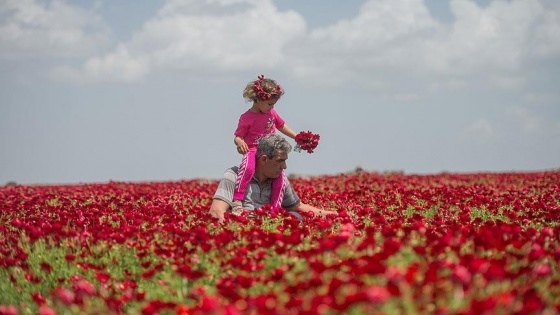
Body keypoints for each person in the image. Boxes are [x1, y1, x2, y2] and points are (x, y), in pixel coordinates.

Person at [210, 134, 336, 224]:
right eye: (280, 161)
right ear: (264, 159)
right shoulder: (234, 175)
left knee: (295, 216)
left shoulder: (280, 180)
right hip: (242, 228)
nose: (284, 166)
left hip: (269, 228)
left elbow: (298, 207)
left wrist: (334, 215)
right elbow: (216, 211)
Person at [232, 75, 297, 215]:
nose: (272, 107)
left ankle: (274, 209)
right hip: (253, 150)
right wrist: (240, 142)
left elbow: (281, 125)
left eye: (273, 105)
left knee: (280, 179)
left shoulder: (271, 113)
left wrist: (296, 136)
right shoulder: (246, 117)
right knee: (248, 168)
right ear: (258, 99)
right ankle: (237, 200)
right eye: (269, 104)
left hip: (272, 151)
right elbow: (237, 136)